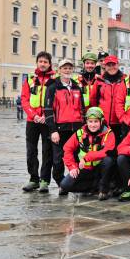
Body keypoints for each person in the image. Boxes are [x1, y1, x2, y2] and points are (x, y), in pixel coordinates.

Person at [44, 59, 85, 195]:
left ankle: (78, 183)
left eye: (69, 68)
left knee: (78, 157)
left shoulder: (76, 87)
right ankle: (61, 183)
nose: (67, 70)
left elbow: (82, 109)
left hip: (76, 129)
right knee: (58, 159)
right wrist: (53, 131)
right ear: (59, 70)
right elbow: (48, 111)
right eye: (64, 68)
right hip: (60, 130)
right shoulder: (52, 87)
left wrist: (84, 128)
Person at [60, 107, 116, 200]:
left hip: (101, 169)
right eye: (90, 121)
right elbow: (67, 149)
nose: (93, 125)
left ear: (101, 121)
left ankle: (104, 190)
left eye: (96, 121)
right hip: (84, 169)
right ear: (86, 122)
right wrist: (72, 167)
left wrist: (87, 157)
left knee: (108, 160)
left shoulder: (109, 134)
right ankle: (94, 187)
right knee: (65, 185)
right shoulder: (79, 133)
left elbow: (108, 151)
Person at [21, 51, 56, 192]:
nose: (42, 64)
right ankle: (33, 179)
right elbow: (24, 99)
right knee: (31, 151)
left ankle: (44, 181)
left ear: (49, 64)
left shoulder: (54, 80)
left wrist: (46, 116)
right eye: (40, 61)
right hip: (32, 121)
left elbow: (56, 100)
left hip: (47, 121)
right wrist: (34, 115)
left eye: (45, 62)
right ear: (37, 63)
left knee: (47, 151)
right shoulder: (30, 79)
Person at [96, 55, 126, 144]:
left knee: (119, 148)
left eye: (114, 64)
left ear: (118, 64)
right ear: (105, 66)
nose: (111, 67)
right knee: (105, 148)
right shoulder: (99, 80)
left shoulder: (125, 80)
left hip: (120, 122)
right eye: (109, 65)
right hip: (104, 122)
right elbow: (94, 100)